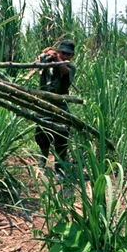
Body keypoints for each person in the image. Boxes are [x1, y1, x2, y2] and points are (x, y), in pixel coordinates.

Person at [34, 40, 76, 176]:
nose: (65, 56)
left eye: (68, 55)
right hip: (43, 106)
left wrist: (56, 57)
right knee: (41, 135)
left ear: (72, 56)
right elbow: (36, 65)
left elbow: (64, 70)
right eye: (62, 53)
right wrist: (45, 54)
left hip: (61, 107)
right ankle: (43, 159)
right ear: (59, 52)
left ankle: (60, 167)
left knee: (61, 138)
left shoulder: (70, 68)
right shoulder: (48, 63)